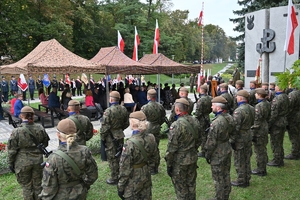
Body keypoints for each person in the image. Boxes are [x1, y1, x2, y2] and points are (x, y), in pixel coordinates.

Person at [39, 118, 98, 199]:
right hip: (80, 194)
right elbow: (93, 175)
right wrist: (83, 186)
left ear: (58, 135)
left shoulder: (53, 158)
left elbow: (49, 187)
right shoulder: (85, 151)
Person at [7, 106, 50, 199]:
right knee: (38, 184)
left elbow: (12, 150)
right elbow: (45, 143)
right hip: (38, 161)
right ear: (33, 115)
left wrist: (10, 163)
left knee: (26, 186)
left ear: (21, 116)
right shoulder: (40, 128)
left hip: (22, 162)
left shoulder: (17, 131)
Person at [165, 98, 201, 200]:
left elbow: (171, 149)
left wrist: (169, 164)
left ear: (177, 109)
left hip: (179, 162)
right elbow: (200, 139)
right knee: (191, 184)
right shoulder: (195, 121)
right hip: (193, 157)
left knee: (181, 187)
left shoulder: (176, 125)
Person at [118, 111, 158, 200]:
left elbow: (125, 168)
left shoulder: (129, 143)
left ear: (132, 124)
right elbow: (155, 157)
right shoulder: (151, 137)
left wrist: (121, 186)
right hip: (146, 173)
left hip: (133, 178)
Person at [205, 96, 235, 200]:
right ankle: (225, 195)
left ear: (218, 107)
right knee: (226, 174)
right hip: (226, 148)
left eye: (212, 105)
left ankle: (220, 197)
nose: (211, 106)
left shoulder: (216, 122)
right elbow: (233, 133)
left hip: (218, 152)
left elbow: (211, 142)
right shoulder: (230, 117)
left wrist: (207, 154)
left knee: (218, 177)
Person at [100, 91, 129, 185]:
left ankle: (115, 177)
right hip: (120, 134)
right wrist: (119, 129)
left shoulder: (108, 111)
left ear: (111, 99)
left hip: (110, 137)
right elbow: (126, 123)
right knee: (120, 154)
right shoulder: (123, 109)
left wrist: (103, 137)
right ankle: (122, 173)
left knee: (112, 157)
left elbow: (104, 127)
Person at [231, 90, 254, 187]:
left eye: (237, 97)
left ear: (240, 98)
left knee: (239, 159)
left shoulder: (239, 111)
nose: (236, 98)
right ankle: (247, 177)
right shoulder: (252, 108)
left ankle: (241, 180)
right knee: (247, 157)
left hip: (240, 137)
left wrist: (232, 140)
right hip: (248, 134)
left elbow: (235, 127)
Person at [141, 89, 166, 175]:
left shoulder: (145, 107)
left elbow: (141, 120)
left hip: (148, 129)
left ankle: (150, 166)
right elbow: (163, 117)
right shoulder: (160, 106)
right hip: (157, 128)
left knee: (148, 148)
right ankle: (155, 167)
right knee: (156, 147)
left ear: (148, 96)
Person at [267, 85, 289, 167]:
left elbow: (274, 114)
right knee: (279, 141)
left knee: (276, 142)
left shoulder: (277, 98)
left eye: (276, 86)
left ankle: (277, 160)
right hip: (283, 121)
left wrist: (269, 124)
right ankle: (280, 158)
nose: (275, 87)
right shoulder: (286, 96)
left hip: (277, 123)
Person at [251, 88, 271, 176]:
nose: (255, 95)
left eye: (256, 94)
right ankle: (263, 166)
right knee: (263, 148)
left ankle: (261, 169)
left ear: (259, 95)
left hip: (259, 130)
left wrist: (253, 131)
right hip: (264, 126)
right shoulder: (267, 103)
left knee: (259, 150)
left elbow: (257, 120)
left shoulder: (259, 106)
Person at [194, 85, 212, 157]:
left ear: (201, 90)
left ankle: (204, 151)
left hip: (201, 119)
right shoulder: (210, 98)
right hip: (207, 117)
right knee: (206, 134)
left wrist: (196, 118)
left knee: (202, 135)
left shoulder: (201, 100)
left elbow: (198, 112)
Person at [285, 86, 300, 160]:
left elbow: (289, 106)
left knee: (294, 135)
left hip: (294, 117)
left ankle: (295, 153)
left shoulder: (293, 94)